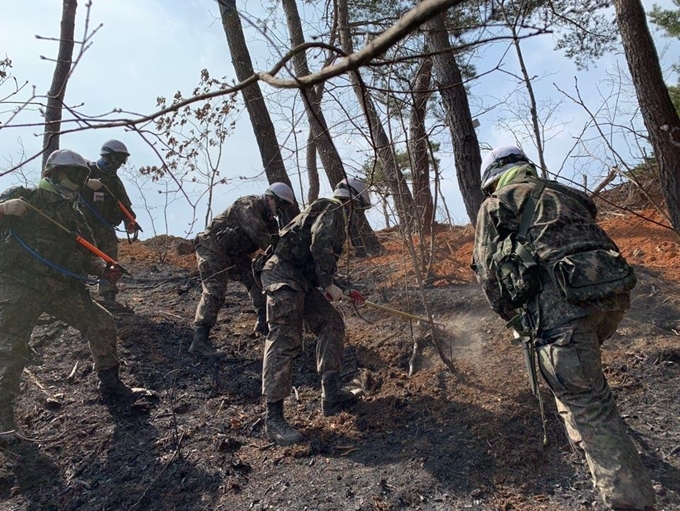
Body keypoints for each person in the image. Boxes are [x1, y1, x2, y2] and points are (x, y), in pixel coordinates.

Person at [472, 145, 655, 510]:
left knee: (591, 403)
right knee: (575, 378)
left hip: (562, 313)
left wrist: (512, 316)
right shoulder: (563, 193)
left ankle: (630, 502)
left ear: (491, 178)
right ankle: (579, 435)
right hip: (610, 298)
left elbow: (488, 273)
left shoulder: (495, 205)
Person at [0, 149, 144, 446]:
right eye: (74, 175)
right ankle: (4, 424)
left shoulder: (73, 214)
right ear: (54, 173)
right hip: (20, 285)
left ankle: (110, 384)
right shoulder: (24, 196)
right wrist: (2, 210)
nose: (79, 182)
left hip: (60, 288)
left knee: (102, 323)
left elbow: (86, 254)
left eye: (82, 177)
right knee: (10, 350)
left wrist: (104, 268)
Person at [259, 177, 369, 446]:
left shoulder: (329, 211)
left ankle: (331, 395)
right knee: (285, 338)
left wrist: (341, 286)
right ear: (354, 201)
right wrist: (329, 284)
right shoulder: (334, 209)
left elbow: (316, 259)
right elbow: (320, 246)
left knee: (332, 322)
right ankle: (273, 419)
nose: (359, 217)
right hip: (283, 275)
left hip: (301, 279)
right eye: (361, 211)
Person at [191, 183, 298, 359]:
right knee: (215, 291)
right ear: (270, 198)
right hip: (212, 247)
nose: (280, 209)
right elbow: (259, 235)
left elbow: (275, 243)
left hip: (235, 255)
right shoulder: (249, 204)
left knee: (257, 280)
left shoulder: (270, 221)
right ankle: (199, 340)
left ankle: (263, 323)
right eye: (280, 204)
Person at [79, 139, 139, 309]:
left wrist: (130, 221)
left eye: (122, 160)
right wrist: (86, 183)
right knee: (81, 258)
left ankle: (109, 297)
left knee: (110, 260)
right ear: (106, 156)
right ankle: (78, 293)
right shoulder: (86, 170)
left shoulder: (115, 182)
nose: (119, 164)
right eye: (117, 159)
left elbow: (125, 205)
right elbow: (68, 185)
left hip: (105, 228)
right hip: (83, 225)